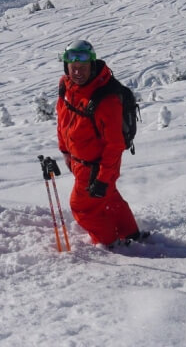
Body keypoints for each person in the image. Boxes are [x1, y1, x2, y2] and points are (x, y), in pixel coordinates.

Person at [56, 40, 141, 247]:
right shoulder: (67, 86)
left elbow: (115, 145)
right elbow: (62, 118)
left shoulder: (106, 100)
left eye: (83, 66)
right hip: (79, 161)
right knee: (109, 197)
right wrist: (65, 150)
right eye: (73, 67)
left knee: (82, 207)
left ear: (92, 65)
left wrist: (102, 179)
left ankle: (110, 244)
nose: (77, 72)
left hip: (98, 166)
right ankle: (130, 234)